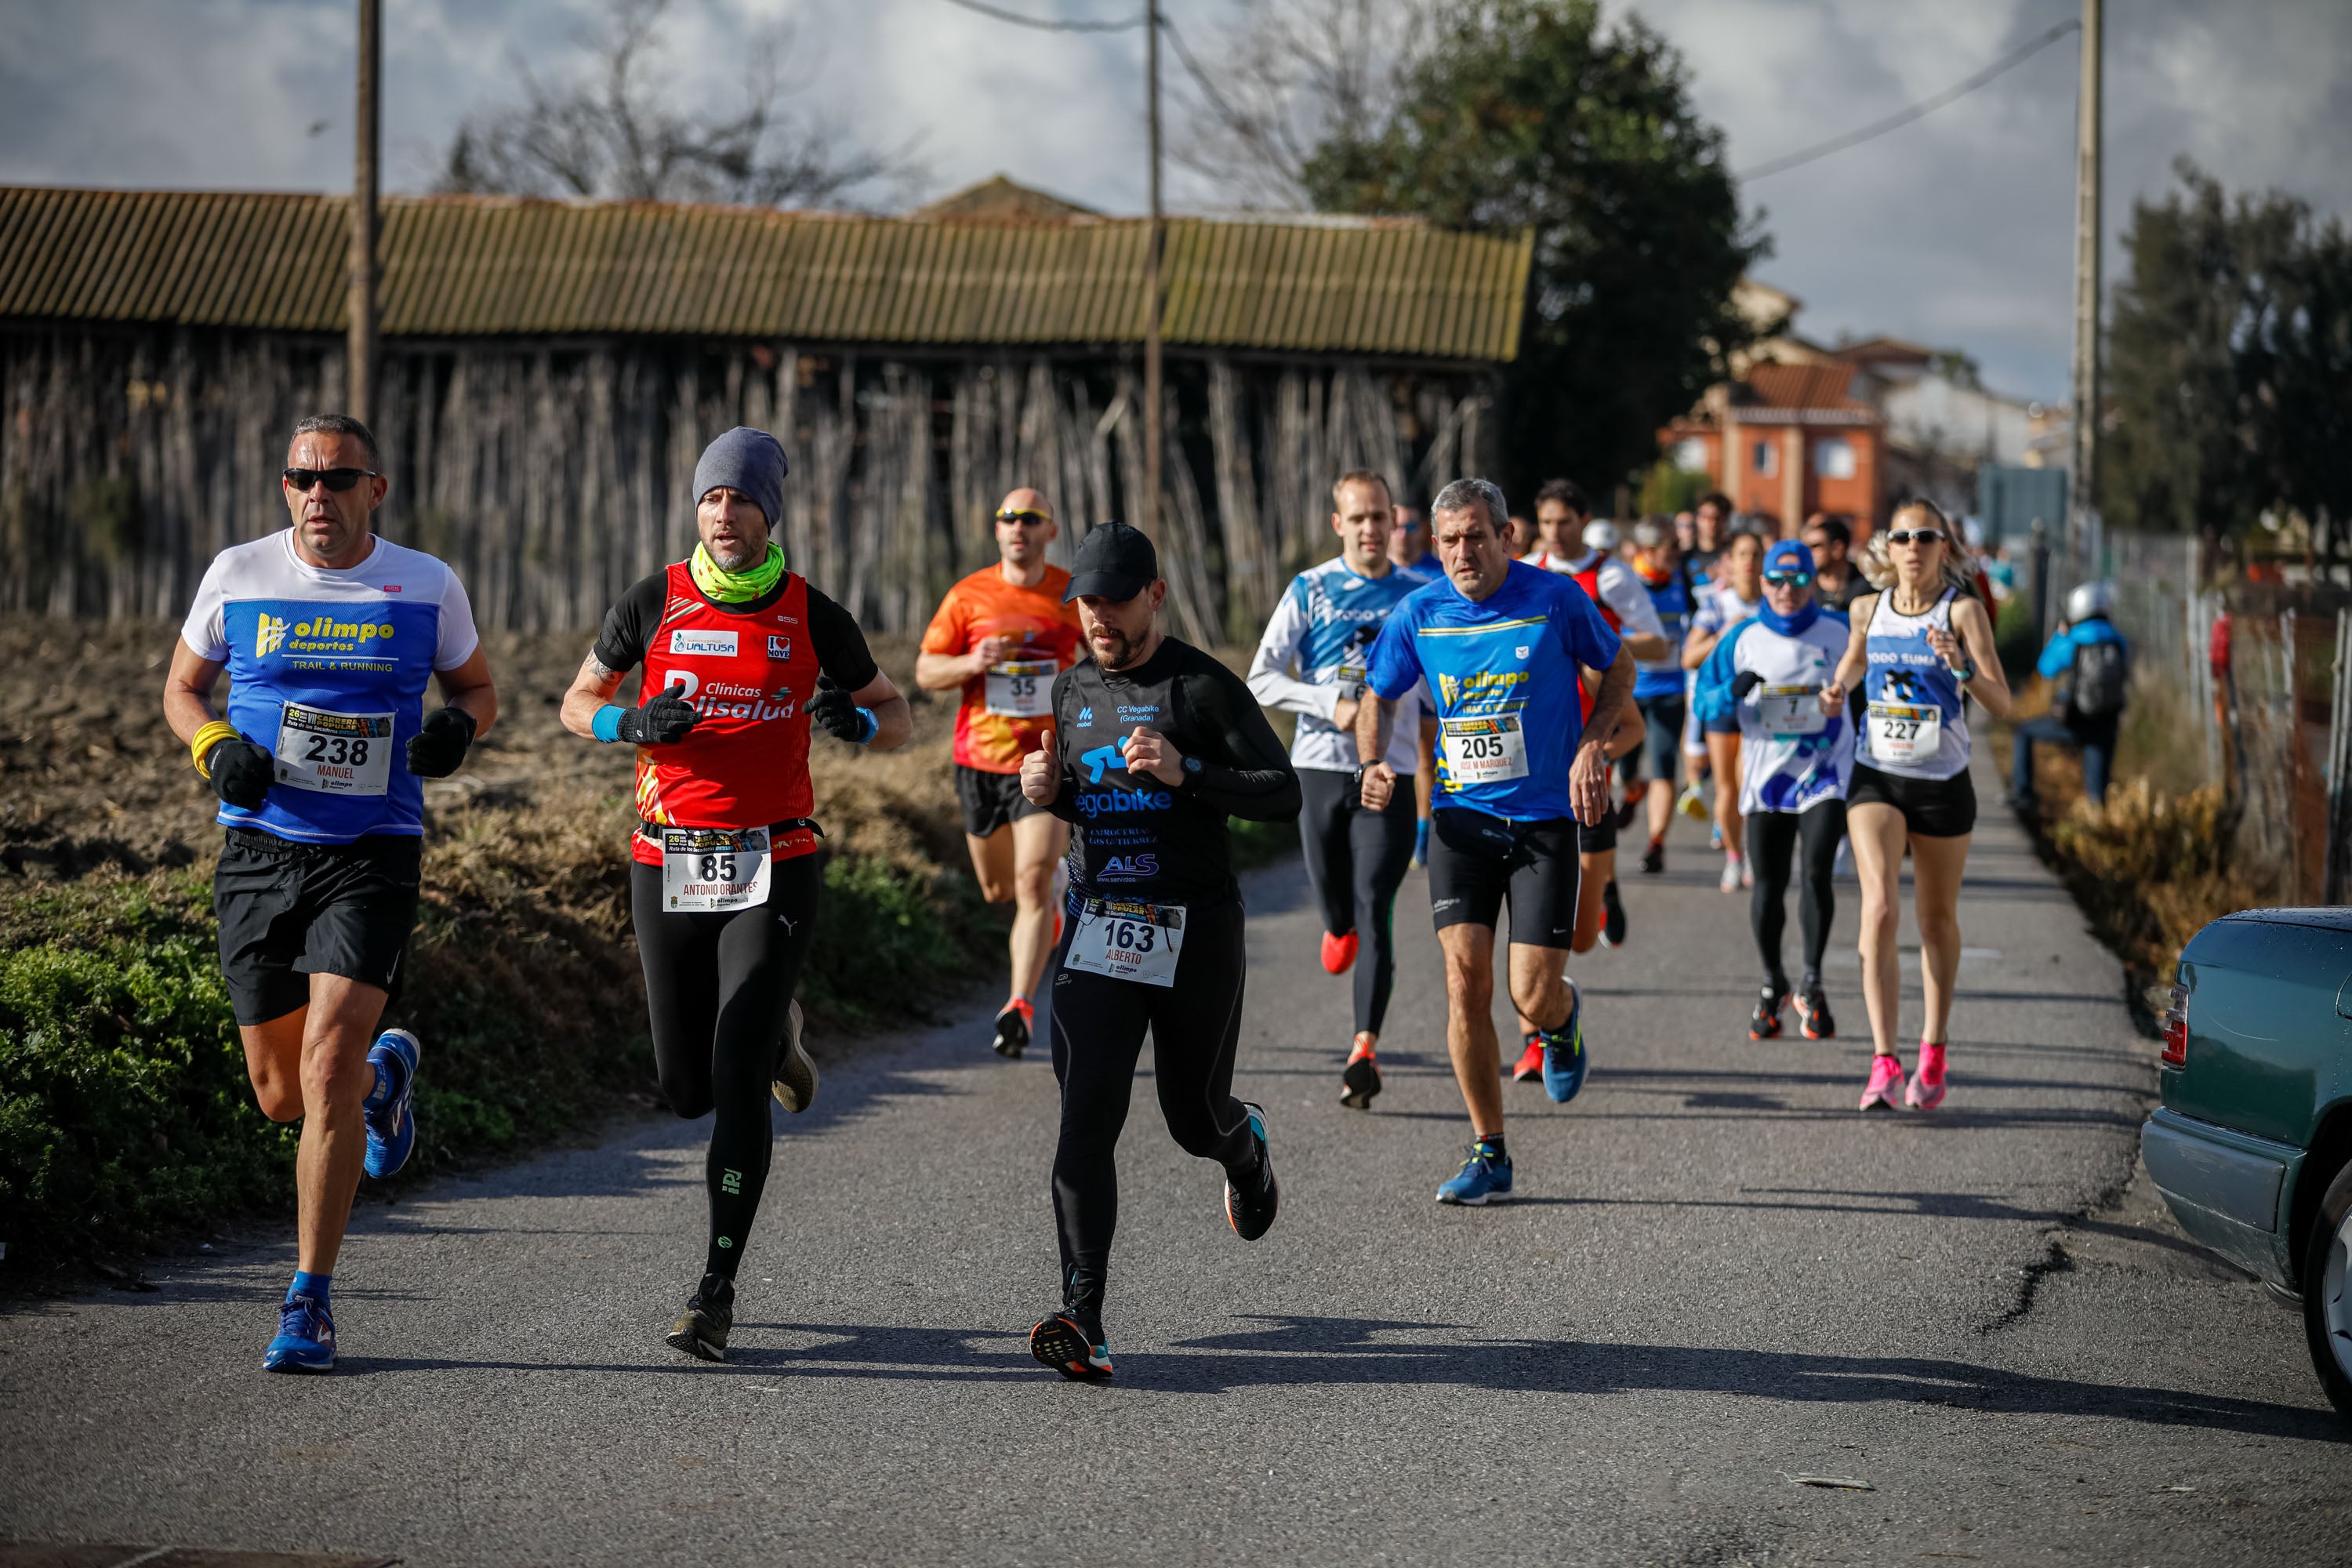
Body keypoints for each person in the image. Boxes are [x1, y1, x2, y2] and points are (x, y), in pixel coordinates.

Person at [561, 427, 913, 1361]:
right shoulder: (654, 601)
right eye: (712, 498)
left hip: (775, 857)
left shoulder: (811, 612)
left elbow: (900, 714)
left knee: (734, 1064)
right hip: (666, 855)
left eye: (742, 500)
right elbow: (574, 698)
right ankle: (782, 1038)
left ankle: (715, 1288)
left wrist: (859, 719)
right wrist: (626, 719)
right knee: (683, 1087)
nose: (724, 514)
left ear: (771, 513)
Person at [162, 412, 497, 1373]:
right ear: (285, 487)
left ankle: (308, 1300)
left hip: (373, 851)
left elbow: (478, 688)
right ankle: (387, 1080)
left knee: (324, 1065)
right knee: (279, 1095)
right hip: (261, 851)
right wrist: (213, 744)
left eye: (338, 478)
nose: (319, 494)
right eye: (302, 477)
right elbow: (184, 688)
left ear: (374, 490)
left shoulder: (426, 583)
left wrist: (455, 732)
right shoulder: (237, 574)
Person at [1021, 520, 1298, 1381]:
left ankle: (1244, 1147)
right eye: (1087, 602)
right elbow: (1089, 800)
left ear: (1156, 595)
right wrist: (1049, 792)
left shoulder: (1202, 687)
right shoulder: (1070, 692)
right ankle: (1084, 1314)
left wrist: (1190, 773)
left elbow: (1281, 790)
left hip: (1196, 928)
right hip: (1100, 924)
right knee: (1085, 1116)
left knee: (1191, 1116)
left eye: (1114, 600)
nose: (1099, 617)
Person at [1356, 477, 1632, 1206]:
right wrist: (1373, 761)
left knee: (1530, 993)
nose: (1462, 551)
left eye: (1476, 535)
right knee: (1464, 981)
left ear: (1508, 537)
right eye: (1448, 539)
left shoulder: (1557, 598)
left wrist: (1592, 745)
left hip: (1544, 824)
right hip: (1460, 824)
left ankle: (1561, 1021)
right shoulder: (1418, 611)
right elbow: (1378, 695)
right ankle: (1490, 1151)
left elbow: (1620, 667)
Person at [1820, 499, 2013, 1112]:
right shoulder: (1865, 608)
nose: (1912, 547)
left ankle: (1933, 1045)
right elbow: (1854, 663)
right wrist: (1835, 690)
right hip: (1877, 774)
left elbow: (2002, 702)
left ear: (1944, 548)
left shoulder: (1964, 611)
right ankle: (1882, 1059)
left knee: (1935, 921)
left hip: (1943, 779)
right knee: (1877, 909)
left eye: (1924, 536)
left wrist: (1960, 668)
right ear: (1890, 547)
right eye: (1901, 536)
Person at [1247, 470, 1428, 1109]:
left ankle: (1364, 1049)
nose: (1373, 530)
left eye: (1382, 517)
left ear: (1395, 522)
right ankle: (1336, 924)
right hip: (1320, 766)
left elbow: (1439, 686)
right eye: (1359, 519)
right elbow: (1261, 679)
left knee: (1377, 904)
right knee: (1341, 910)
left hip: (1391, 772)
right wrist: (1329, 702)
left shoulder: (1420, 594)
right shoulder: (1312, 589)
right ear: (1339, 525)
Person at [916, 488, 1086, 1058]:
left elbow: (1111, 651)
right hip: (979, 763)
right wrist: (971, 661)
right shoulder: (968, 595)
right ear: (997, 531)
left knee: (1033, 879)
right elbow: (924, 671)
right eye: (1009, 518)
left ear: (1050, 531)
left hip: (1044, 759)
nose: (1019, 527)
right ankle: (1052, 907)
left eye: (1031, 518)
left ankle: (1019, 1004)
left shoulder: (1069, 593)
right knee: (997, 891)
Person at [1693, 541, 1854, 1040]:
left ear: (1813, 582)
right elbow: (1703, 702)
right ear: (1762, 583)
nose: (1788, 591)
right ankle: (1772, 982)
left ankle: (1812, 980)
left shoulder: (1841, 631)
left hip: (1826, 774)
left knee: (1816, 875)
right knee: (1767, 884)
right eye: (1777, 581)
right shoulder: (1742, 637)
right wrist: (1730, 692)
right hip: (1766, 782)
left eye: (1799, 580)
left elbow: (1872, 692)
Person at [1524, 488, 1668, 966]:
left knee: (1583, 925)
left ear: (1584, 520)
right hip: (1533, 749)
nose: (1555, 532)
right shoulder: (1526, 569)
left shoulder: (1609, 576)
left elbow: (1658, 645)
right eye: (1546, 522)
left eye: (1564, 521)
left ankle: (1604, 890)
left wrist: (1596, 638)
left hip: (1596, 718)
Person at [1684, 529, 1766, 893]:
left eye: (1755, 554)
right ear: (1730, 562)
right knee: (1727, 788)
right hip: (1722, 703)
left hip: (1762, 705)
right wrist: (1723, 637)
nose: (1749, 562)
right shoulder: (1717, 606)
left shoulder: (1776, 605)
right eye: (1742, 554)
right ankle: (1735, 857)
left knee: (1751, 782)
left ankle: (1753, 853)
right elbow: (1689, 657)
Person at [2010, 581, 2130, 812]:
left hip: (2074, 721)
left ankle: (2023, 795)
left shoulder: (2074, 638)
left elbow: (2045, 668)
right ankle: (2099, 829)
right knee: (2097, 794)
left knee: (2023, 731)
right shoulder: (2118, 639)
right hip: (2107, 723)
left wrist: (2060, 635)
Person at [1629, 518, 1701, 873]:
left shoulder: (1681, 580)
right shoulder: (1626, 582)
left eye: (1677, 550)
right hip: (1629, 690)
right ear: (1648, 550)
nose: (1675, 556)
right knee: (1626, 767)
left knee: (1663, 767)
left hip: (1669, 690)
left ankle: (1656, 841)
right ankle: (1630, 790)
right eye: (1668, 550)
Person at [1387, 502, 1444, 864]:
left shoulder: (1440, 573)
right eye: (1395, 525)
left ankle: (1422, 830)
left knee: (1425, 757)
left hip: (1426, 680)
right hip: (1386, 684)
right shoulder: (1378, 574)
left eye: (1410, 527)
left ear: (1423, 530)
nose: (1402, 534)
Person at [1802, 514, 1863, 612]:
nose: (1809, 552)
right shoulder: (1804, 588)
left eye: (1816, 546)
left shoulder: (1866, 588)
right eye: (1806, 547)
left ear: (1837, 549)